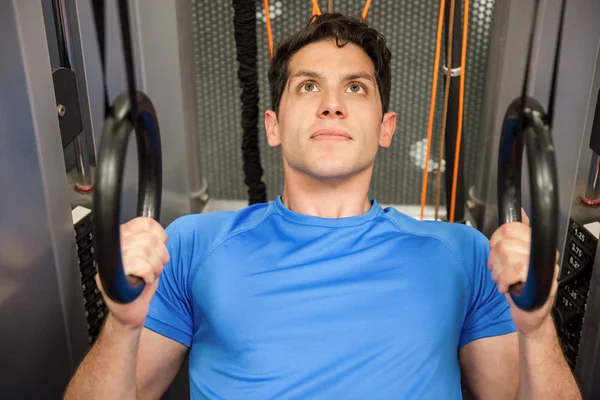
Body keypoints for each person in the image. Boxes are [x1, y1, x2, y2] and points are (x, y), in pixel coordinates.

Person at [65, 13, 581, 400]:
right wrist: (123, 325)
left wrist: (537, 330)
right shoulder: (190, 244)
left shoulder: (465, 254)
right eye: (308, 85)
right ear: (273, 125)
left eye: (355, 87)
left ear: (386, 128)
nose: (331, 103)